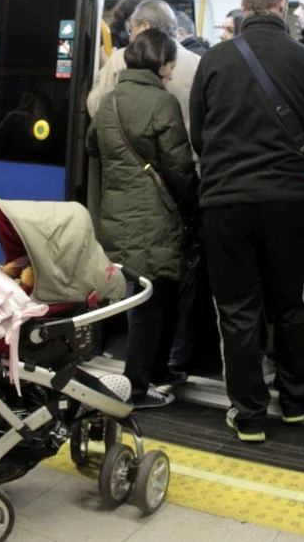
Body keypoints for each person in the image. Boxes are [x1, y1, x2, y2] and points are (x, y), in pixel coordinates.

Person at [189, 0, 304, 442]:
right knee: (290, 303)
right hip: (286, 200)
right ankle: (296, 400)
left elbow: (198, 134)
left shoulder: (214, 61)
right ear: (281, 5)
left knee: (237, 311)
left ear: (246, 3)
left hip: (224, 203)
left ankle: (249, 415)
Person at [88, 29, 198, 408]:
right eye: (170, 64)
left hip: (116, 217)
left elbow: (92, 144)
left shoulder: (109, 102)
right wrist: (194, 205)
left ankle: (154, 374)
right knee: (152, 304)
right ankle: (136, 387)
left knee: (141, 298)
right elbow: (180, 169)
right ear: (161, 63)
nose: (170, 71)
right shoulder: (162, 103)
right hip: (154, 218)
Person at [87, 0, 200, 129]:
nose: (130, 37)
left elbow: (96, 107)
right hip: (184, 147)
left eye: (132, 29)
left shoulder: (121, 58)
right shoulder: (198, 62)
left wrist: (107, 66)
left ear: (145, 27)